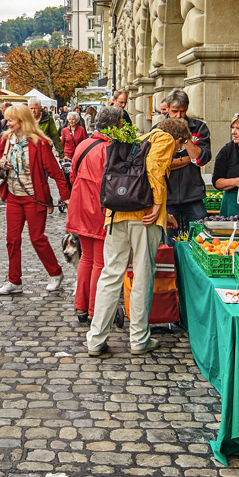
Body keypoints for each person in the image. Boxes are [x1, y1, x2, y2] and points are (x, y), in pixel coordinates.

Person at [85, 117, 191, 357]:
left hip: (117, 213)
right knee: (143, 274)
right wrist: (156, 206)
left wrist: (166, 214)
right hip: (143, 217)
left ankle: (96, 339)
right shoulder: (163, 138)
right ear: (179, 140)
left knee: (111, 275)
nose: (177, 151)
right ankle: (139, 339)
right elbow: (154, 168)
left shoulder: (139, 138)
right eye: (180, 148)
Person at [0, 104, 70, 295]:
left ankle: (56, 273)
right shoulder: (6, 140)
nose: (7, 123)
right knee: (12, 239)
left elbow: (56, 172)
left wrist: (66, 197)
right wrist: (1, 162)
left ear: (22, 121)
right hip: (14, 196)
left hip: (34, 198)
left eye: (11, 120)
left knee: (37, 238)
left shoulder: (39, 143)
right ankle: (14, 280)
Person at [67, 107, 122, 323]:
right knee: (100, 261)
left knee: (85, 259)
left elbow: (72, 175)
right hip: (100, 210)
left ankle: (81, 307)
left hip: (80, 208)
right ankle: (94, 309)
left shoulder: (83, 145)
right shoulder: (111, 149)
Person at [162, 90, 212, 243]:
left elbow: (201, 158)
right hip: (168, 196)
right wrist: (187, 160)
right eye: (174, 111)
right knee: (169, 243)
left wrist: (185, 135)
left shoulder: (199, 127)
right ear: (168, 109)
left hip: (193, 194)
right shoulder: (158, 130)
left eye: (182, 111)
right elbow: (162, 164)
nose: (178, 116)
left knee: (201, 240)